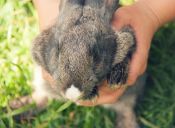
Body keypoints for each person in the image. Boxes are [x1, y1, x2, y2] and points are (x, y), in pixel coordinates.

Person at [32, 0, 175, 106]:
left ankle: (125, 112)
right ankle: (40, 97)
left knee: (130, 80)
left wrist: (150, 13)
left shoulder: (114, 40)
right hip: (64, 16)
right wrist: (53, 19)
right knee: (43, 79)